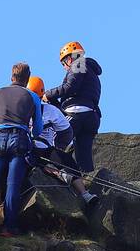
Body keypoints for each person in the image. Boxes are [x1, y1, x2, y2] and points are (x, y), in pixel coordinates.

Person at [0, 63, 43, 236]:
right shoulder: (32, 96)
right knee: (13, 184)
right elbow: (38, 127)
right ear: (27, 79)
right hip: (19, 138)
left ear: (11, 77)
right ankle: (9, 226)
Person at [27, 76, 98, 207]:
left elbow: (66, 131)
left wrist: (58, 145)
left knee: (66, 160)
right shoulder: (22, 109)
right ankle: (63, 176)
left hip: (44, 149)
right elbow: (66, 131)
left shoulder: (49, 110)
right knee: (53, 161)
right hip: (27, 147)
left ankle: (84, 193)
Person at [45, 41, 102, 173]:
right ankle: (86, 180)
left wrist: (48, 95)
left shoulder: (79, 63)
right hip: (92, 116)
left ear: (69, 58)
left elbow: (70, 87)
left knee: (55, 139)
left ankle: (49, 168)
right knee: (83, 154)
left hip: (77, 113)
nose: (64, 68)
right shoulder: (91, 72)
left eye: (63, 64)